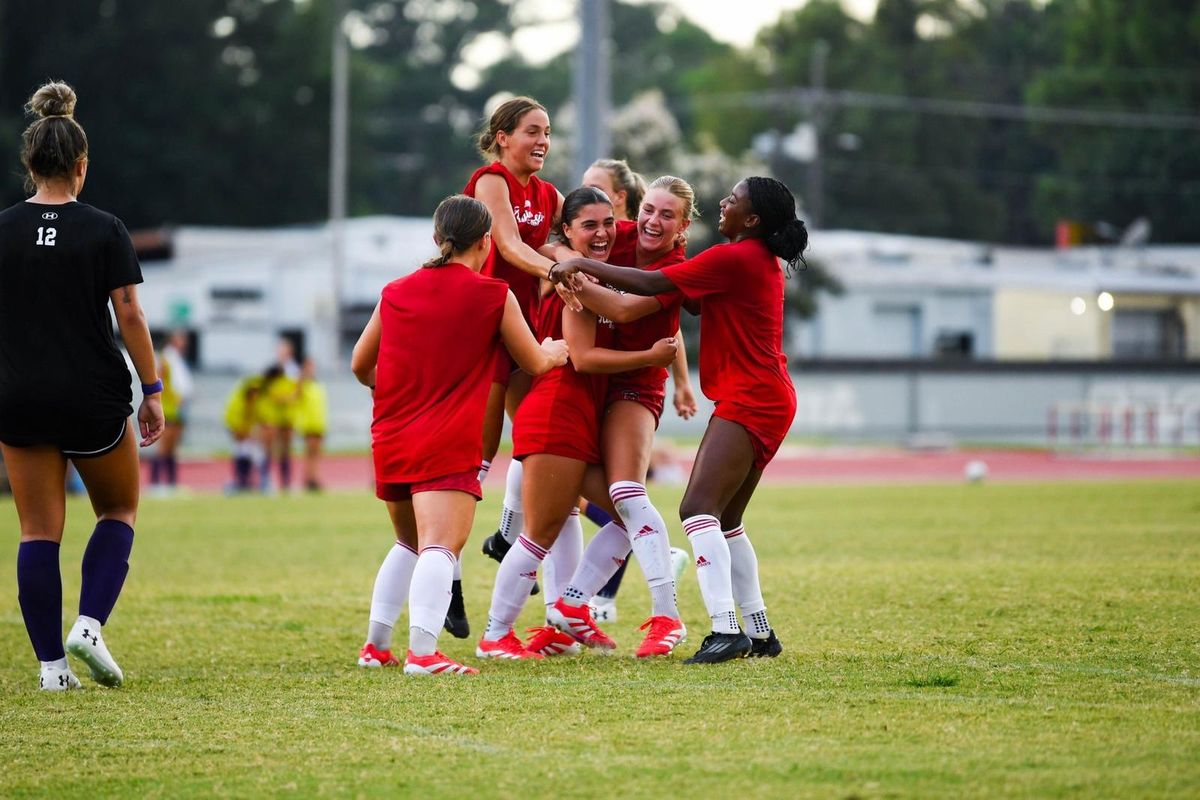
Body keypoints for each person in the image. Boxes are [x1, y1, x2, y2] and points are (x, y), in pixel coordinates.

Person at [550, 177, 807, 664]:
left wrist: (577, 263)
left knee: (696, 511)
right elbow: (687, 298)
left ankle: (724, 630)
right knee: (727, 521)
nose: (724, 203)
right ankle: (759, 631)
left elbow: (648, 285)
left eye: (733, 200)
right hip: (768, 395)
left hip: (751, 398)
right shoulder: (746, 260)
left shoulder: (735, 257)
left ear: (751, 220)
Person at [351, 194, 568, 676]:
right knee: (440, 545)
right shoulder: (493, 294)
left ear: (437, 238)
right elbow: (532, 361)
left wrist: (398, 388)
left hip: (391, 433)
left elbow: (360, 365)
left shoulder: (396, 291)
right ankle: (423, 653)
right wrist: (557, 348)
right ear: (487, 242)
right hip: (446, 436)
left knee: (409, 543)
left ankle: (376, 647)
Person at [0, 81, 165, 691]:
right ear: (81, 165)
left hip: (18, 396)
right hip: (91, 396)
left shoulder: (4, 229)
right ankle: (89, 625)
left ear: (30, 162)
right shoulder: (103, 228)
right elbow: (131, 316)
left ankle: (51, 670)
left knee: (37, 531)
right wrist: (152, 389)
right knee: (117, 509)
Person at [476, 186, 677, 660]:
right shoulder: (569, 278)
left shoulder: (578, 267)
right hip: (557, 411)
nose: (604, 232)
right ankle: (495, 635)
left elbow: (572, 254)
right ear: (566, 230)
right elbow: (585, 356)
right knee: (539, 535)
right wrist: (652, 351)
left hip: (577, 415)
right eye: (589, 225)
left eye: (608, 222)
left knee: (626, 513)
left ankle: (567, 612)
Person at [546, 176, 703, 657]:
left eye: (667, 215)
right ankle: (571, 605)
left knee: (625, 494)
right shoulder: (619, 233)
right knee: (609, 508)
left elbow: (623, 310)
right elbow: (557, 240)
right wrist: (559, 257)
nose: (653, 221)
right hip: (589, 384)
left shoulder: (679, 268)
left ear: (683, 226)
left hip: (635, 384)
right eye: (649, 210)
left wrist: (572, 270)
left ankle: (667, 618)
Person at [463, 97, 577, 604]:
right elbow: (508, 246)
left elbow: (549, 244)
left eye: (548, 132)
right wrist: (558, 269)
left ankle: (511, 539)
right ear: (503, 136)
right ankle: (448, 573)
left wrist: (569, 257)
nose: (543, 142)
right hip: (487, 326)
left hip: (524, 329)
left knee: (536, 439)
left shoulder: (549, 194)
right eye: (532, 131)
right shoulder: (491, 182)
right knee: (481, 454)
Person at [150, 329, 193, 495]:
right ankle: (155, 483)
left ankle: (171, 483)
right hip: (169, 408)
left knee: (172, 447)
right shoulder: (167, 358)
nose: (184, 343)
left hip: (177, 408)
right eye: (180, 339)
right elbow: (161, 380)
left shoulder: (177, 359)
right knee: (164, 447)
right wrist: (171, 398)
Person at [258, 339, 301, 493]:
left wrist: (285, 398)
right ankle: (265, 481)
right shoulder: (272, 370)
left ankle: (286, 483)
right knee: (268, 449)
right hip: (272, 417)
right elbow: (265, 392)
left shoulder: (294, 371)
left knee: (285, 449)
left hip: (287, 417)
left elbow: (296, 393)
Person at [223, 375, 263, 493]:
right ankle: (241, 480)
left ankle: (248, 481)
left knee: (251, 452)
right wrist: (245, 435)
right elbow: (235, 426)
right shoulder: (237, 402)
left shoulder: (255, 403)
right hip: (236, 429)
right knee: (241, 450)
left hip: (247, 431)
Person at [294, 357, 327, 492]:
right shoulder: (303, 384)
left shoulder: (316, 385)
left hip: (318, 424)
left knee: (316, 454)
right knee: (310, 454)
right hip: (309, 425)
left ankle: (312, 477)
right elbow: (296, 397)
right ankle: (309, 479)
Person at [582, 158, 646, 224]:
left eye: (595, 190)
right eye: (584, 190)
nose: (584, 197)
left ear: (620, 197)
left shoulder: (634, 233)